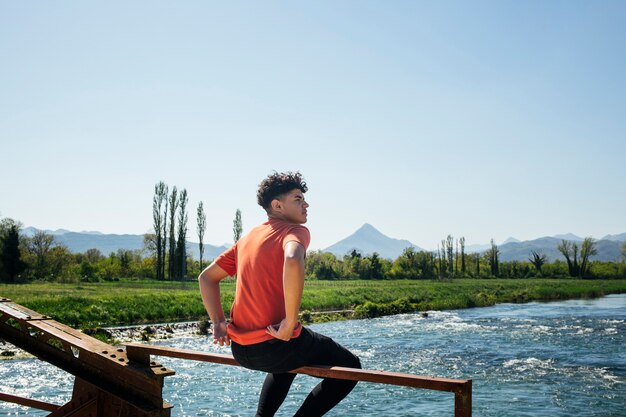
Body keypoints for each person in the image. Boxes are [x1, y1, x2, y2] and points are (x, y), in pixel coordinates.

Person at [199, 171, 361, 417]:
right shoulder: (294, 231)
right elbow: (293, 257)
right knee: (351, 368)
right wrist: (289, 323)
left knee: (287, 361)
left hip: (242, 350)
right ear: (277, 205)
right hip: (276, 347)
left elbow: (206, 277)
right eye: (298, 199)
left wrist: (218, 322)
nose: (306, 204)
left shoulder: (249, 237)